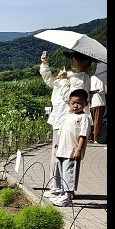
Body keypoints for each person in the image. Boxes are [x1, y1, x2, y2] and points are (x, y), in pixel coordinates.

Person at [40, 49, 93, 194]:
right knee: (58, 154)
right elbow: (52, 82)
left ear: (85, 61)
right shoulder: (73, 76)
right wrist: (45, 65)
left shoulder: (82, 79)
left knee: (65, 156)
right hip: (62, 119)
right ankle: (57, 186)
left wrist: (64, 81)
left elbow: (70, 98)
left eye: (75, 58)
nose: (72, 60)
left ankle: (62, 189)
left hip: (69, 123)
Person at [50, 88, 91, 207]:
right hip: (62, 150)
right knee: (61, 173)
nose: (75, 105)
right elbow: (62, 133)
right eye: (73, 103)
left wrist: (78, 149)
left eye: (79, 103)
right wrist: (57, 146)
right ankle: (63, 193)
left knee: (69, 173)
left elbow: (83, 135)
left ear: (86, 104)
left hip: (72, 151)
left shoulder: (84, 118)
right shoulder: (68, 116)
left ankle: (67, 197)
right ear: (69, 103)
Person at [89, 61, 106, 143]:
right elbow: (102, 91)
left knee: (93, 120)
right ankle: (96, 138)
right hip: (100, 102)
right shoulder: (101, 78)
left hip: (93, 102)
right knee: (98, 121)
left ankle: (91, 137)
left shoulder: (91, 78)